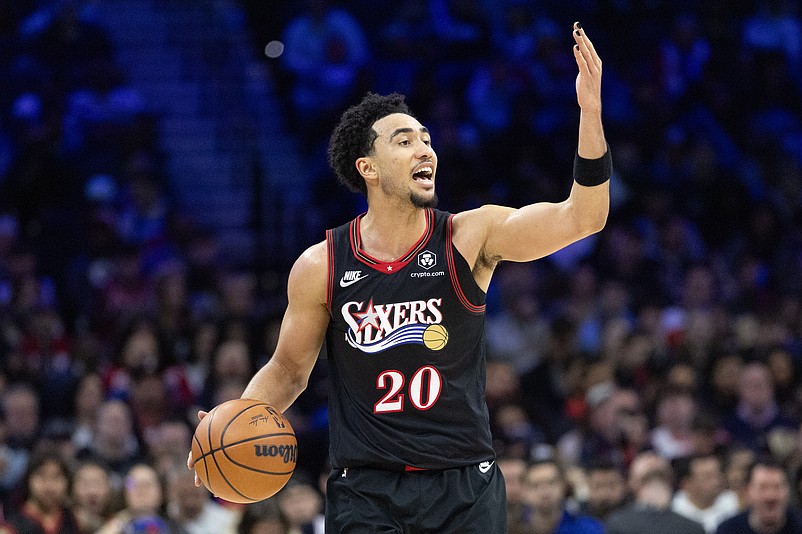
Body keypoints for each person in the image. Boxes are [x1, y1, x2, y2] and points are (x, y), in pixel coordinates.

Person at [189, 21, 611, 532]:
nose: (425, 150)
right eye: (405, 140)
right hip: (367, 489)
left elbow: (582, 217)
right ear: (368, 167)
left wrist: (590, 113)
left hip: (463, 485)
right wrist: (226, 427)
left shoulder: (469, 235)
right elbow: (288, 371)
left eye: (426, 140)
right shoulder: (321, 264)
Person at [605, 452, 705, 534]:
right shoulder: (619, 524)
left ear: (671, 480)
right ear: (631, 483)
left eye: (657, 476)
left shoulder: (692, 527)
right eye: (650, 477)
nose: (651, 462)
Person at [509, 459, 605, 534]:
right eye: (535, 485)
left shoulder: (588, 528)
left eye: (551, 483)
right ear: (524, 491)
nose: (544, 492)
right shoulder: (508, 529)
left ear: (563, 486)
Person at [716, 457, 802, 534]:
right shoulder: (728, 530)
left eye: (777, 487)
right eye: (762, 488)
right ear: (747, 492)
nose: (770, 496)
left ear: (788, 491)